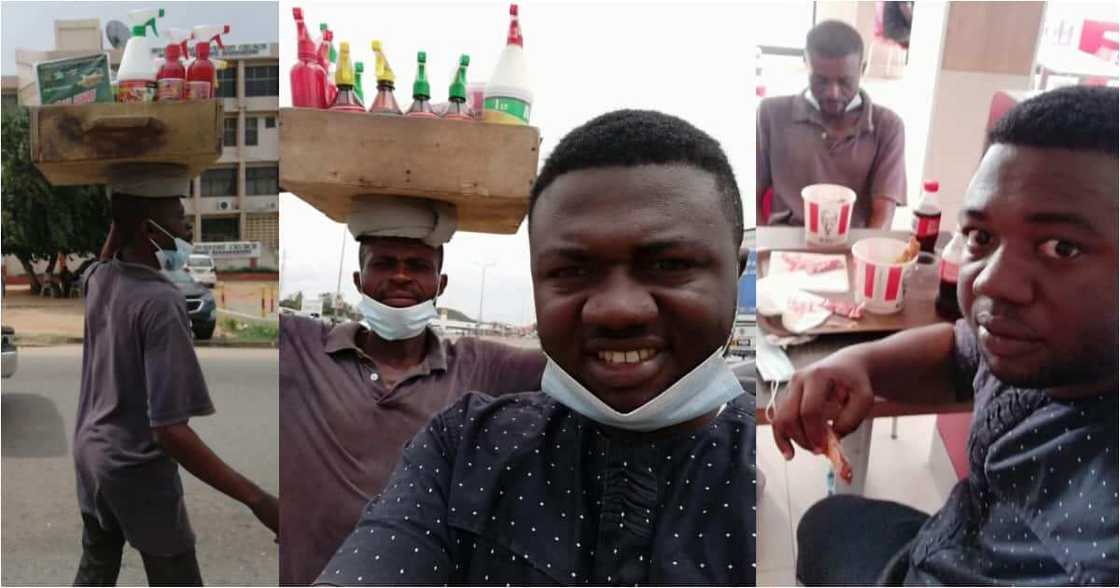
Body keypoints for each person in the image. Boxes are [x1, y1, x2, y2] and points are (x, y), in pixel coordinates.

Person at [315, 110, 757, 586]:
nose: (617, 310)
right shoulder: (465, 449)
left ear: (738, 269)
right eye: (571, 271)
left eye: (670, 264)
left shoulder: (788, 471)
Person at [772, 86, 1118, 585]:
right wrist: (861, 363)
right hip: (952, 540)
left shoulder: (1092, 545)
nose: (992, 281)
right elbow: (961, 350)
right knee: (826, 523)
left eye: (1061, 247)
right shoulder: (1047, 345)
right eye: (982, 236)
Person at [278, 196, 546, 586]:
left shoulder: (479, 364)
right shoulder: (302, 347)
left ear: (441, 284)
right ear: (359, 280)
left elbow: (578, 363)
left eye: (418, 266)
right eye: (384, 263)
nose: (401, 276)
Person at [73, 165, 278, 586]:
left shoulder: (99, 279)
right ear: (150, 231)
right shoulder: (161, 302)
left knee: (96, 568)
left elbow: (105, 255)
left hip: (91, 458)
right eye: (178, 214)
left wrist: (122, 215)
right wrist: (257, 500)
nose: (186, 224)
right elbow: (170, 431)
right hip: (135, 469)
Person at [757, 19, 906, 229]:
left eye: (845, 82)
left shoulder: (887, 126)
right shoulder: (771, 114)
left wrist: (863, 256)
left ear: (861, 69)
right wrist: (761, 252)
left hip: (852, 246)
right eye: (820, 80)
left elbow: (883, 215)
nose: (832, 93)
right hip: (782, 244)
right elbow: (750, 194)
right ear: (806, 64)